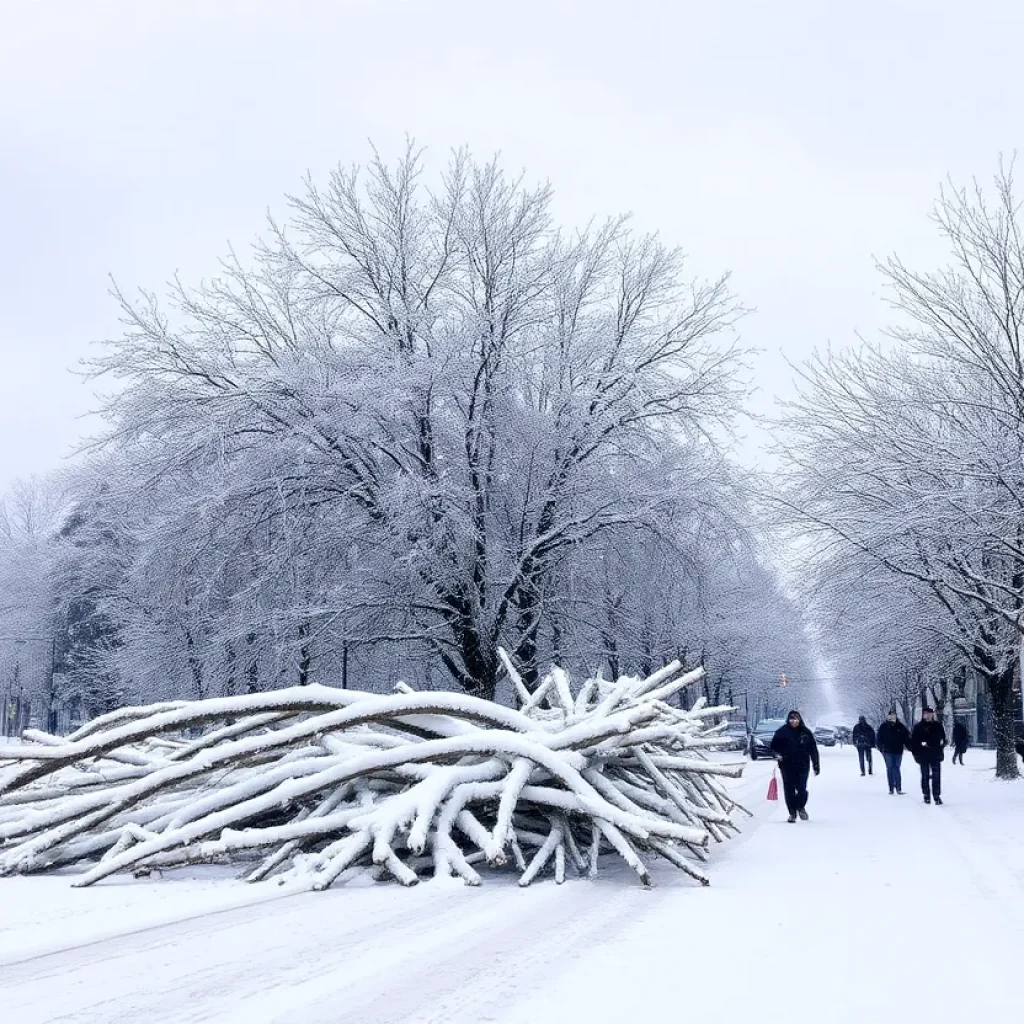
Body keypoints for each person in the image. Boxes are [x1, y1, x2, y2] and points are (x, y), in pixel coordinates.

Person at [770, 709, 820, 823]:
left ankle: (800, 806)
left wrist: (816, 764)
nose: (794, 721)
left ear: (799, 719)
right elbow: (773, 747)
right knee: (789, 790)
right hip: (786, 765)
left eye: (796, 719)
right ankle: (792, 813)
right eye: (791, 719)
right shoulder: (781, 732)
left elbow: (813, 749)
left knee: (802, 789)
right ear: (788, 720)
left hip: (803, 765)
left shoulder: (806, 732)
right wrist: (776, 755)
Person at [910, 707, 947, 805]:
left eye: (930, 713)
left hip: (935, 754)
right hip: (923, 755)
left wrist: (941, 745)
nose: (928, 715)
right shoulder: (918, 727)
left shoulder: (938, 726)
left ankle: (937, 796)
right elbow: (914, 742)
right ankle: (926, 795)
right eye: (926, 713)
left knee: (936, 776)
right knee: (925, 775)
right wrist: (917, 751)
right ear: (923, 715)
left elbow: (943, 738)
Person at [876, 709, 910, 795]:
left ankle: (898, 787)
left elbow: (906, 737)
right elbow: (879, 738)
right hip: (887, 751)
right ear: (888, 716)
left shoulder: (900, 726)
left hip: (898, 751)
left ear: (896, 716)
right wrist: (881, 748)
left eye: (894, 715)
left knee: (897, 768)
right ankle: (891, 788)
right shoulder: (883, 726)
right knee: (890, 768)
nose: (892, 716)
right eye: (891, 715)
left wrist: (909, 746)